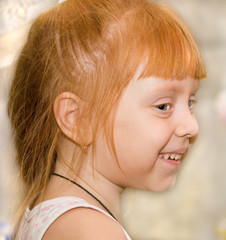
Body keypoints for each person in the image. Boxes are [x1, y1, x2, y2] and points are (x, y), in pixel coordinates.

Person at [8, 0, 206, 239]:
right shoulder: (94, 231)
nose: (191, 127)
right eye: (163, 106)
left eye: (191, 102)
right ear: (78, 119)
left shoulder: (46, 212)